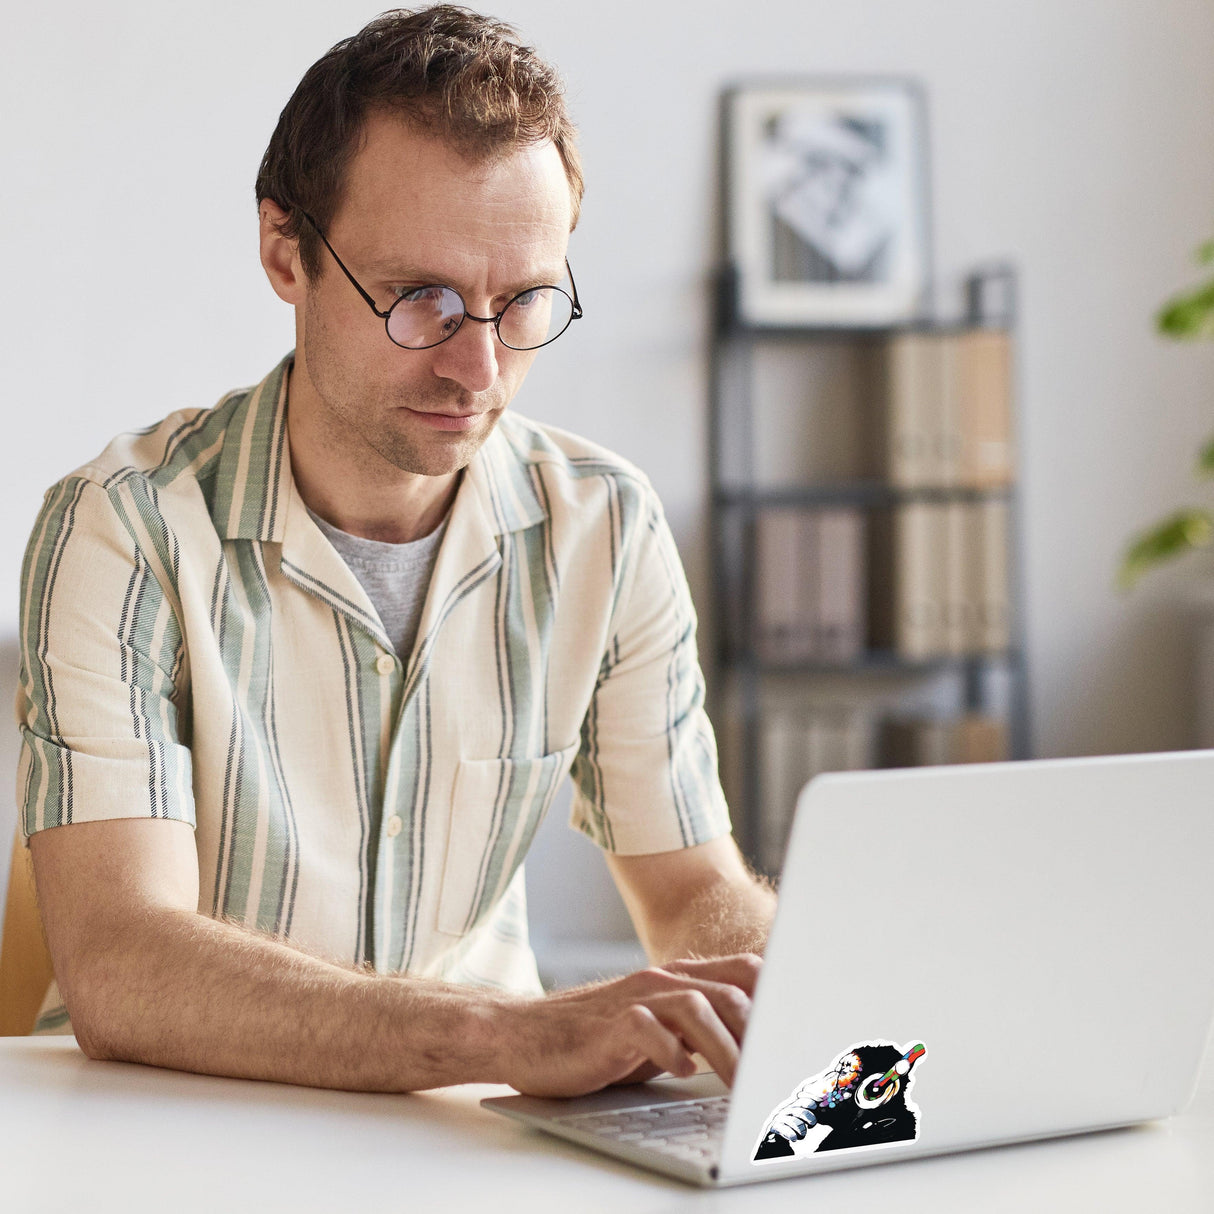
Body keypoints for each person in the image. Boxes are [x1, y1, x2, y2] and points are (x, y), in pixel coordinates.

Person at [16, 5, 775, 1097]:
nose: (476, 369)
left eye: (523, 302)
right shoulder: (123, 527)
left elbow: (690, 883)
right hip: (173, 1128)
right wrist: (503, 1036)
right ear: (286, 249)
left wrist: (774, 990)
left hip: (470, 1134)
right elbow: (122, 962)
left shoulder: (604, 525)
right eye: (420, 299)